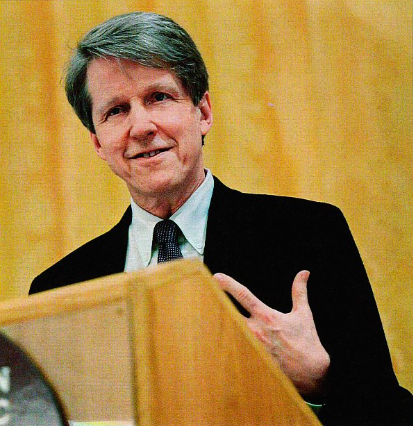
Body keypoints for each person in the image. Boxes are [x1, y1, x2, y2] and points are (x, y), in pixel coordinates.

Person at [29, 12, 413, 425]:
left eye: (159, 97)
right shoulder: (59, 290)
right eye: (116, 110)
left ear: (203, 112)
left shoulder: (308, 235)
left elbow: (389, 415)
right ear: (98, 143)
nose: (141, 126)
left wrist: (317, 384)